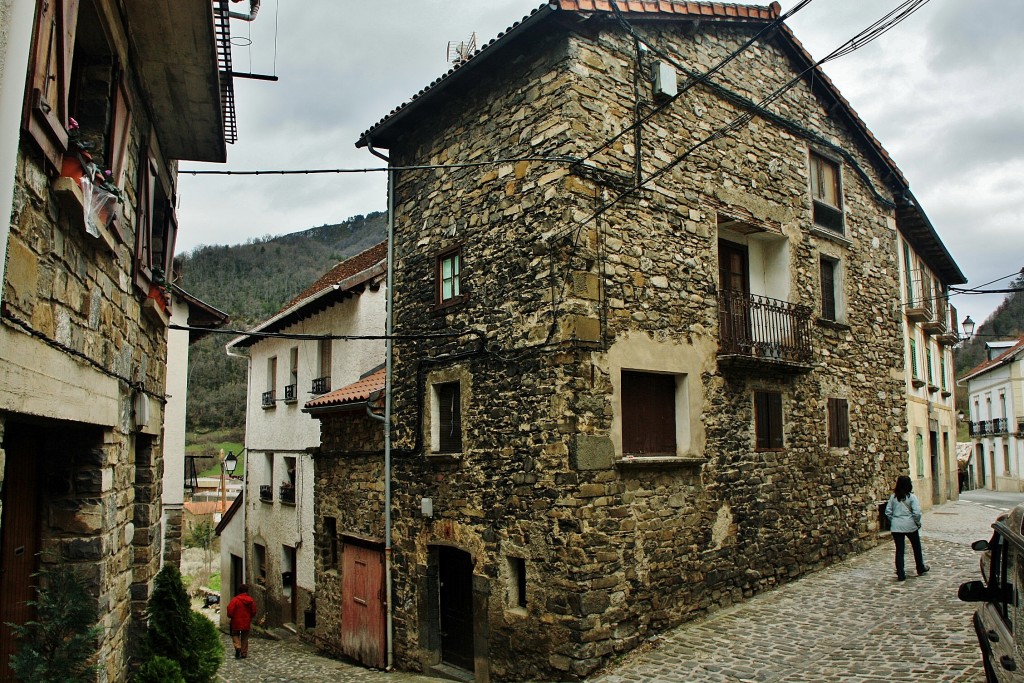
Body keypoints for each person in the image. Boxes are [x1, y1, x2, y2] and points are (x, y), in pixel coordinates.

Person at [884, 475, 929, 581]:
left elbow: (888, 512)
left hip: (896, 526)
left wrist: (894, 521)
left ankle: (900, 573)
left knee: (899, 550)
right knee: (916, 547)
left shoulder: (893, 497)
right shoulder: (912, 497)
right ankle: (920, 567)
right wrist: (917, 523)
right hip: (910, 525)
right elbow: (917, 513)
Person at [226, 584, 257, 659]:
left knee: (235, 634)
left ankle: (238, 646)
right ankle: (244, 653)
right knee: (245, 637)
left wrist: (231, 616)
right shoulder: (251, 600)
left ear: (239, 591)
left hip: (236, 621)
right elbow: (254, 611)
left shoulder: (235, 600)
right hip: (246, 621)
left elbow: (230, 610)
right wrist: (249, 617)